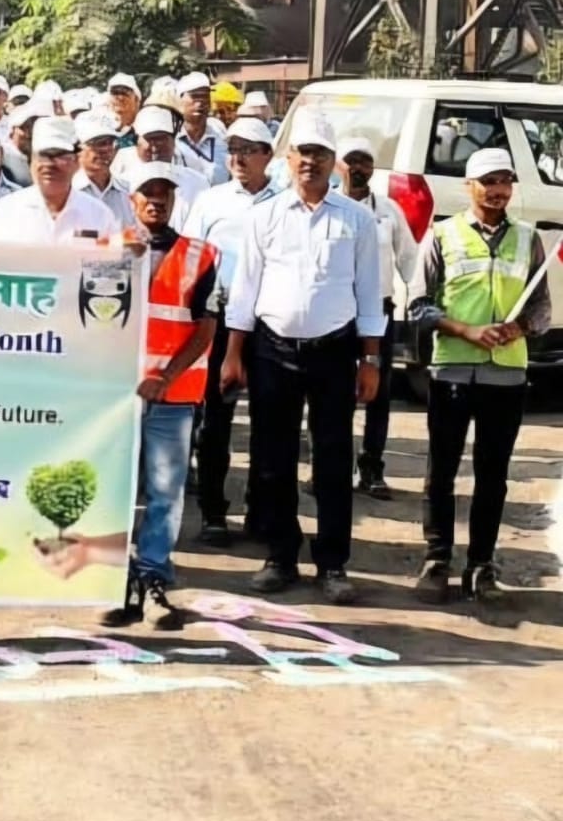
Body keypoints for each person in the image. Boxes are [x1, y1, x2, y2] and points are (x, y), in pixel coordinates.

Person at [222, 109, 384, 604]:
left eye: (320, 153)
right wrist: (233, 354)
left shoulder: (358, 220)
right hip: (272, 350)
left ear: (334, 162)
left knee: (333, 459)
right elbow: (245, 291)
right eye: (303, 152)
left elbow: (369, 293)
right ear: (288, 158)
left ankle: (332, 563)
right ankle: (280, 556)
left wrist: (371, 360)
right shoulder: (264, 216)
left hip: (334, 351)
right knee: (273, 458)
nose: (310, 161)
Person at [407, 148, 553, 604]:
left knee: (493, 474)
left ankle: (481, 566)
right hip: (451, 369)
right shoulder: (442, 235)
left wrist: (519, 328)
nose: (498, 190)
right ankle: (437, 560)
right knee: (442, 471)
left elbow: (542, 308)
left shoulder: (528, 239)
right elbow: (418, 306)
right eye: (488, 181)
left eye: (505, 181)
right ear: (468, 186)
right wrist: (466, 330)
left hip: (505, 375)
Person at [110, 162, 218, 626]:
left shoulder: (201, 256)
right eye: (147, 192)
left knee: (165, 493)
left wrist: (165, 378)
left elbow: (205, 329)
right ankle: (116, 579)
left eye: (164, 193)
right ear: (131, 200)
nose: (156, 199)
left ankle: (153, 576)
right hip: (117, 396)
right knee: (114, 491)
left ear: (174, 200)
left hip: (173, 396)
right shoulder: (107, 250)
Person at [182, 117, 279, 545]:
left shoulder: (286, 201)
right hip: (219, 322)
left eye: (248, 149)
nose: (238, 157)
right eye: (233, 148)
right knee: (215, 423)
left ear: (268, 155)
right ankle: (213, 513)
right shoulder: (211, 201)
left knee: (268, 423)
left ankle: (260, 511)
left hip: (269, 325)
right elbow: (190, 262)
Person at [338, 135, 418, 499]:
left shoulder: (388, 210)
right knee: (332, 392)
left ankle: (372, 468)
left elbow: (409, 259)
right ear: (339, 165)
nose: (358, 168)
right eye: (351, 160)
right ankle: (332, 467)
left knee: (379, 393)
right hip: (337, 312)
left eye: (365, 161)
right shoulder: (328, 206)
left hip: (380, 311)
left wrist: (419, 302)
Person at [0, 117, 120, 244]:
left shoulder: (99, 216)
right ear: (31, 163)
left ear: (76, 162)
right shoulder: (4, 213)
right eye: (43, 156)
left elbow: (112, 263)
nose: (49, 164)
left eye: (59, 156)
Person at [117, 106, 210, 230]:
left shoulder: (198, 182)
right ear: (137, 142)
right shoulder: (122, 183)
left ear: (173, 141)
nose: (156, 145)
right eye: (149, 139)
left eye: (162, 138)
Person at [73, 113, 135, 229]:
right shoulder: (68, 192)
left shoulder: (127, 191)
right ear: (78, 149)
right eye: (97, 143)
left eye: (110, 142)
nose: (106, 149)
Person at [177, 73, 229, 185]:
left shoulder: (220, 134)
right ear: (179, 100)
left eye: (205, 96)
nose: (200, 102)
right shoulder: (172, 140)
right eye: (195, 96)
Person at [107, 74, 140, 149]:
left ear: (136, 100)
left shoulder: (144, 128)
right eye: (115, 93)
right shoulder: (102, 128)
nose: (120, 98)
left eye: (125, 94)